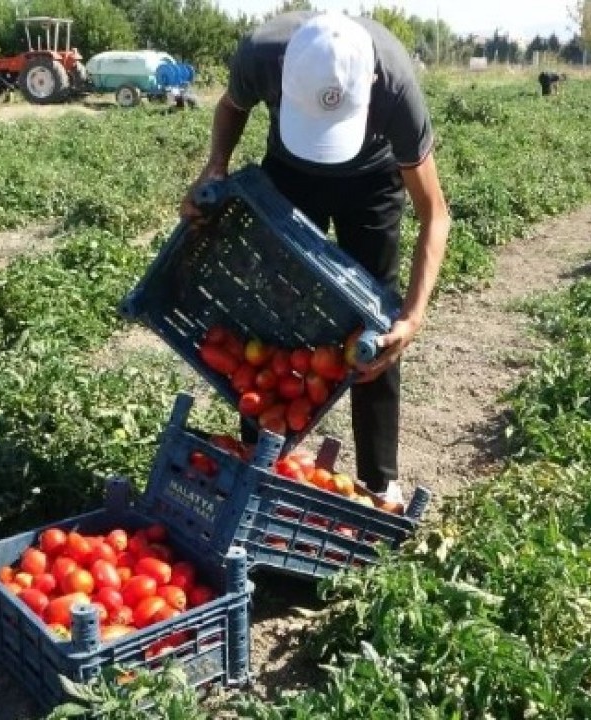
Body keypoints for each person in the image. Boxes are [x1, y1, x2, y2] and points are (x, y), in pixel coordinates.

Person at [179, 10, 451, 503]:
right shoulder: (263, 53)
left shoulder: (394, 83)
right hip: (290, 168)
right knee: (269, 303)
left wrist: (412, 316)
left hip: (371, 178)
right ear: (284, 77)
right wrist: (215, 165)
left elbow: (435, 214)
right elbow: (231, 105)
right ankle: (261, 452)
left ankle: (378, 479)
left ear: (368, 82)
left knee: (377, 327)